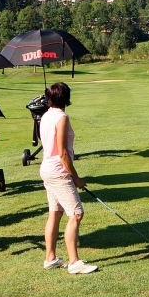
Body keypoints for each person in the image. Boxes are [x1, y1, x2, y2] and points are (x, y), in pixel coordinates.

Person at [38, 82, 97, 274]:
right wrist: (76, 178)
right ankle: (74, 262)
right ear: (66, 99)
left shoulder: (46, 115)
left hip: (47, 169)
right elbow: (63, 153)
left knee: (55, 213)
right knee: (76, 213)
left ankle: (50, 258)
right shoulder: (61, 118)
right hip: (58, 172)